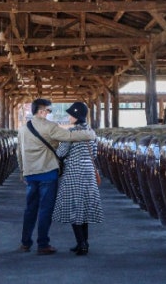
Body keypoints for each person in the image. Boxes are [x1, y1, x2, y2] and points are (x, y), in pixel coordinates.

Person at [17, 98, 97, 255]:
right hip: (48, 172)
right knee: (45, 210)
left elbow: (19, 152)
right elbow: (70, 136)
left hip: (31, 173)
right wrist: (90, 134)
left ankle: (25, 243)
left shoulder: (23, 129)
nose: (49, 113)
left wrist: (22, 171)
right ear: (41, 111)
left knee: (30, 209)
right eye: (48, 110)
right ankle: (43, 244)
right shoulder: (50, 127)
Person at [52, 101, 104, 256]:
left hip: (74, 172)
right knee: (84, 208)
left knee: (74, 208)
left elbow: (61, 153)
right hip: (88, 172)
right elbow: (94, 153)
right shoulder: (91, 131)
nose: (68, 117)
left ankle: (82, 244)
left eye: (70, 114)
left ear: (76, 116)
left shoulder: (72, 133)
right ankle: (83, 242)